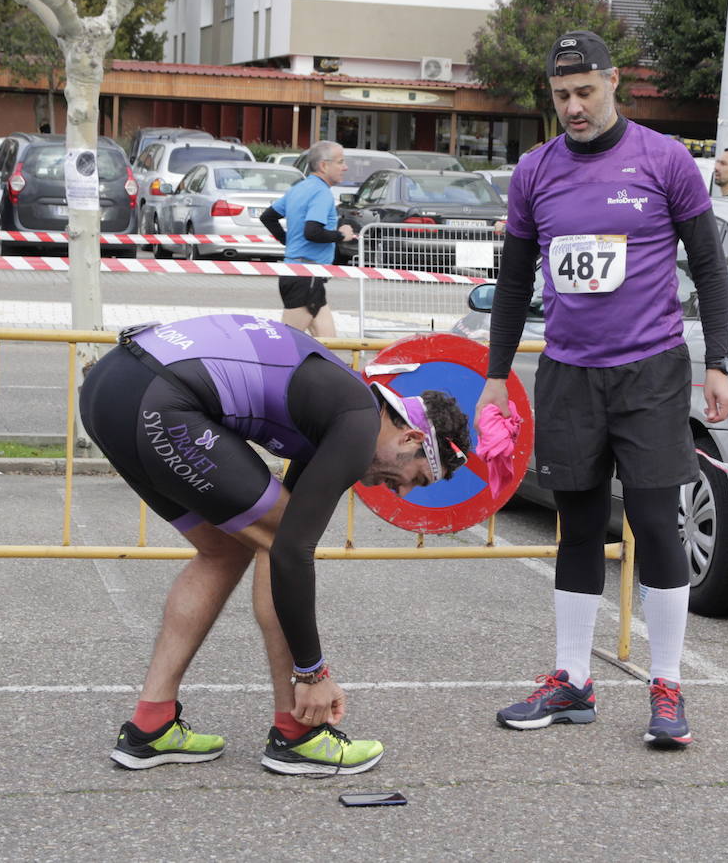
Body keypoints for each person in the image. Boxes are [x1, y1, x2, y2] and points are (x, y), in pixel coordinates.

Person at [475, 30, 728, 748]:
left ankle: (668, 686)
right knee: (578, 527)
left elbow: (711, 270)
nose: (574, 108)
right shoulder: (535, 172)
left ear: (614, 82)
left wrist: (719, 362)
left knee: (656, 527)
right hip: (569, 373)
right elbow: (515, 282)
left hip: (650, 373)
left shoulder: (665, 160)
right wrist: (496, 377)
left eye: (585, 92)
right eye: (562, 96)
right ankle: (571, 681)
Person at [79, 313, 471, 774]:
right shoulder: (358, 423)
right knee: (277, 538)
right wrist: (313, 674)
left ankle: (152, 723)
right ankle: (298, 732)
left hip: (111, 386)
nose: (399, 492)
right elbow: (290, 550)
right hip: (159, 394)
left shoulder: (345, 406)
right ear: (410, 436)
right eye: (416, 479)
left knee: (226, 547)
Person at [259, 141, 356, 338]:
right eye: (341, 162)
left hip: (306, 274)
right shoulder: (321, 192)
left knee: (329, 346)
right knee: (286, 344)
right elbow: (312, 232)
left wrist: (289, 242)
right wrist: (341, 235)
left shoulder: (298, 188)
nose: (345, 167)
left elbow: (268, 217)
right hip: (306, 275)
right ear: (324, 165)